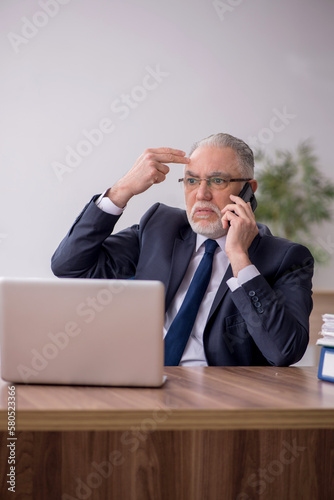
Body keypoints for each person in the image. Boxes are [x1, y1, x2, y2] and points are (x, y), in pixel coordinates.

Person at [51, 133, 314, 367]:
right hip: (141, 379)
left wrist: (239, 258)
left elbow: (284, 352)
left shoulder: (286, 259)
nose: (201, 194)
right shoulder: (160, 227)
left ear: (248, 190)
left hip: (219, 399)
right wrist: (122, 190)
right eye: (191, 181)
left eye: (217, 180)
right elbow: (70, 266)